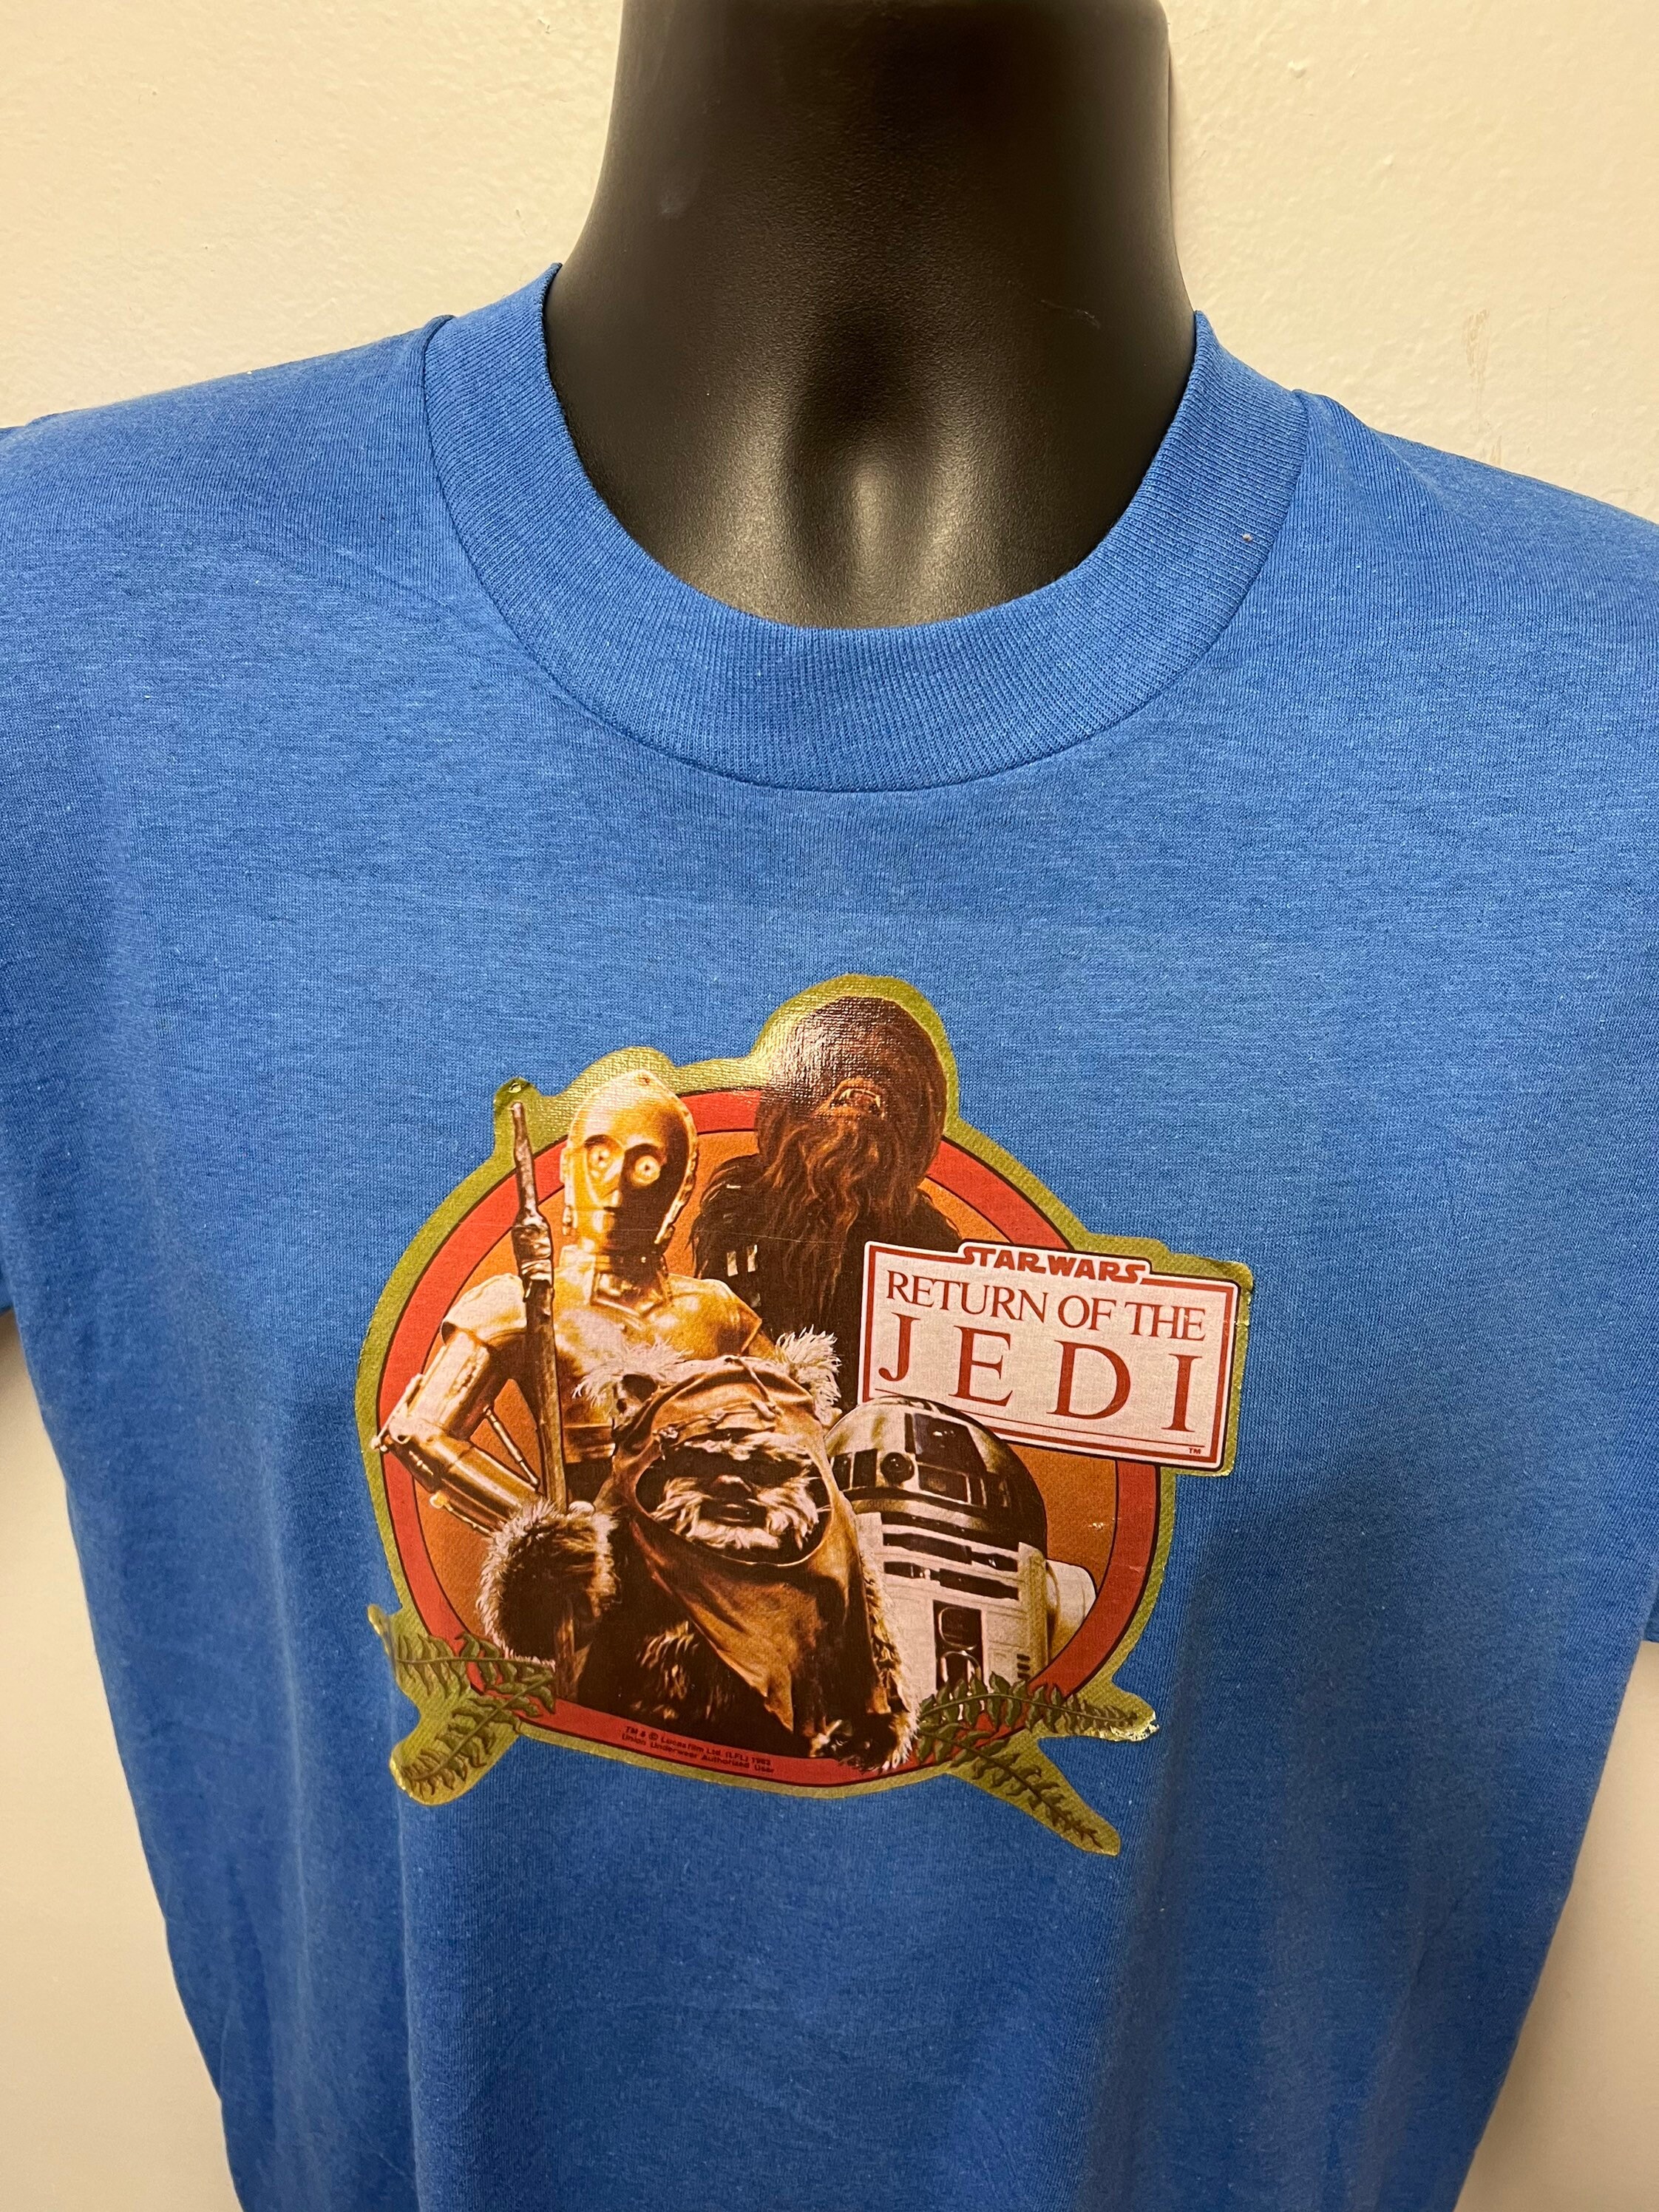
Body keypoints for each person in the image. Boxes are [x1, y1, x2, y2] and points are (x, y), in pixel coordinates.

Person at [383, 1068, 767, 1521]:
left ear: (677, 1186)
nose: (616, 1184)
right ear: (570, 1167)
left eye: (645, 1166)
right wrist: (554, 1531)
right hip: (582, 1553)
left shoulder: (717, 1311)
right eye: (600, 1157)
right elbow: (417, 1432)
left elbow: (806, 1424)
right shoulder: (517, 1304)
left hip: (708, 1549)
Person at [691, 994, 960, 1402]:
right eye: (842, 1067)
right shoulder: (739, 1207)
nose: (863, 1080)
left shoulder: (927, 1243)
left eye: (885, 1075)